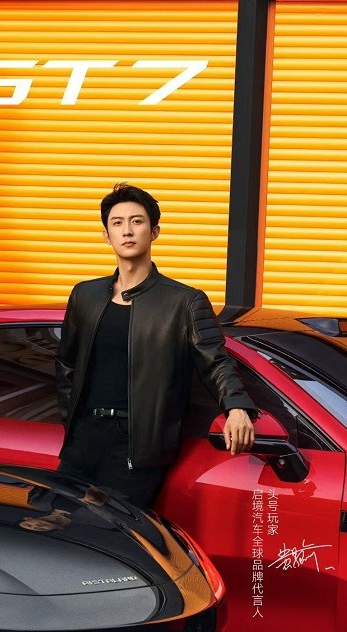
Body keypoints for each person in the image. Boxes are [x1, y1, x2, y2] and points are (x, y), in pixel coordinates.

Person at [55, 182, 257, 506]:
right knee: (62, 522)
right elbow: (66, 362)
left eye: (137, 221)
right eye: (117, 223)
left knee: (113, 529)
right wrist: (73, 421)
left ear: (154, 232)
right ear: (106, 235)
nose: (127, 230)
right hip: (83, 437)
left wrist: (236, 407)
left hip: (138, 443)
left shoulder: (184, 302)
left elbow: (216, 361)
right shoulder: (85, 295)